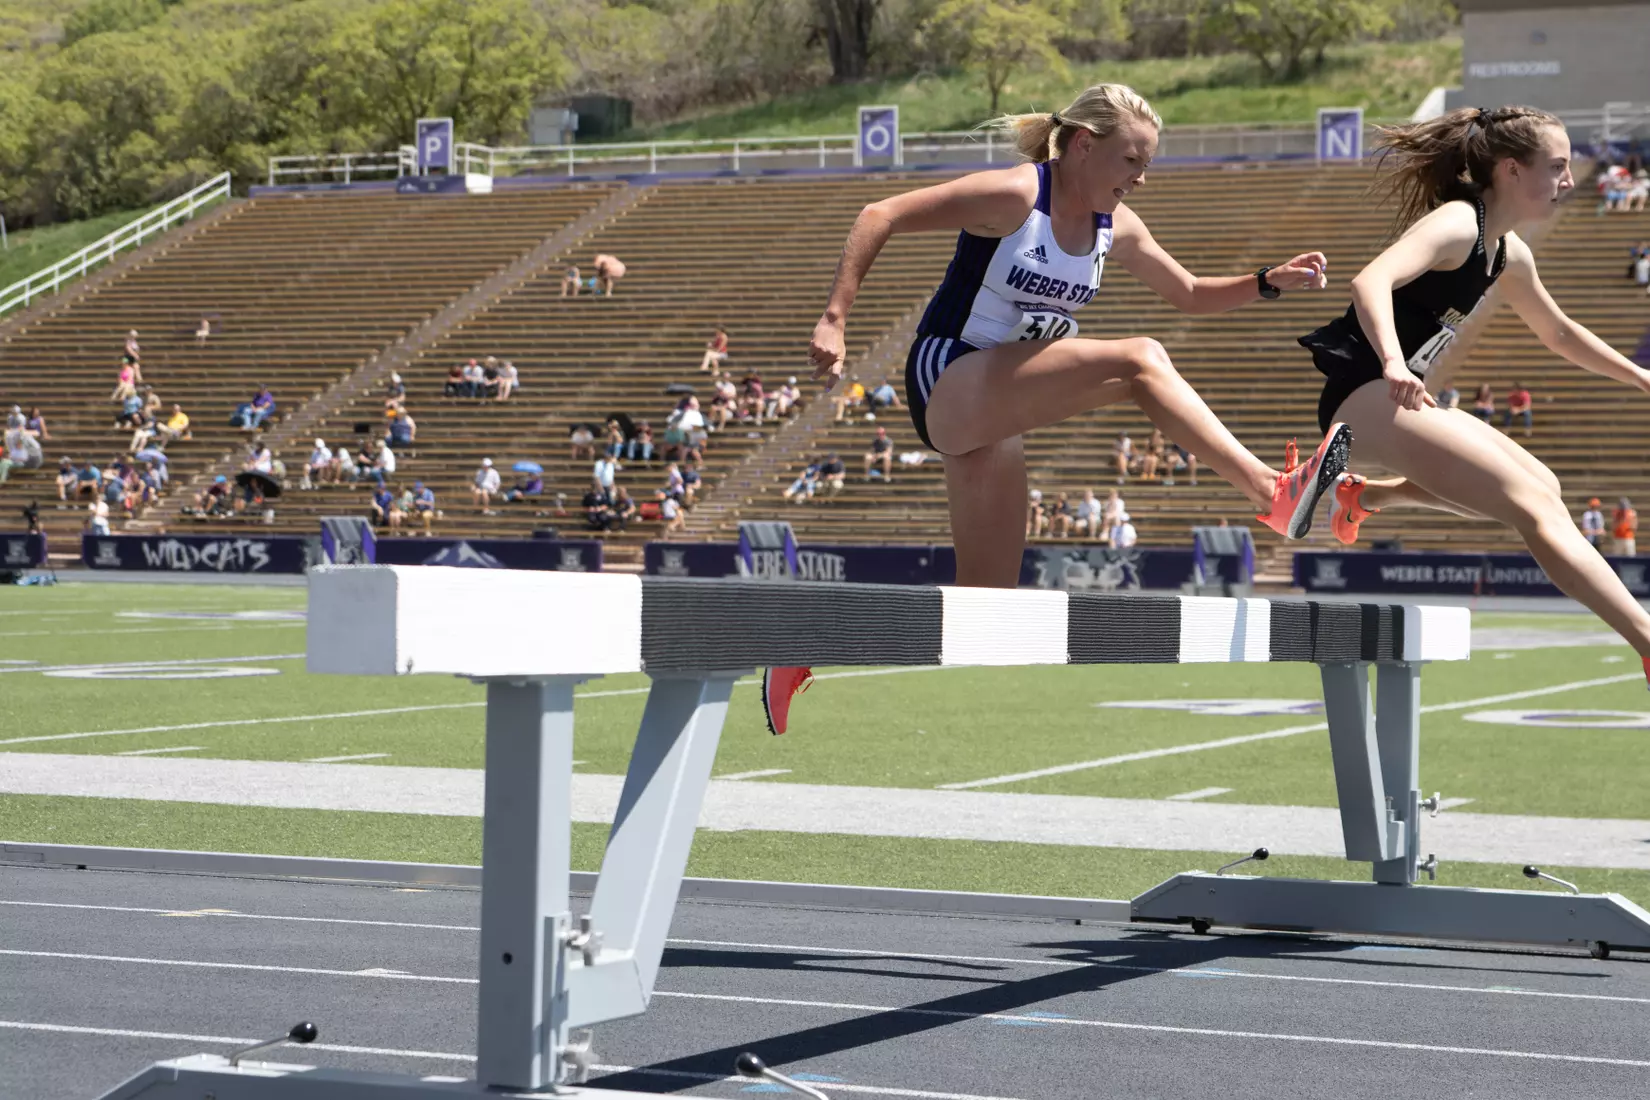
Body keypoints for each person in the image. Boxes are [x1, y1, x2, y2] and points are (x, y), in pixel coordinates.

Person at [1293, 105, 1650, 681]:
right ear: (1510, 169)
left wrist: (1640, 377)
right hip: (1362, 391)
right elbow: (1371, 280)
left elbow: (1558, 332)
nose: (1568, 180)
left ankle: (1367, 496)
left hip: (1398, 401)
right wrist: (1392, 363)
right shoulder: (1459, 223)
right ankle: (1647, 641)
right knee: (1532, 506)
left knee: (1547, 488)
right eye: (1556, 166)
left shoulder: (1508, 252)